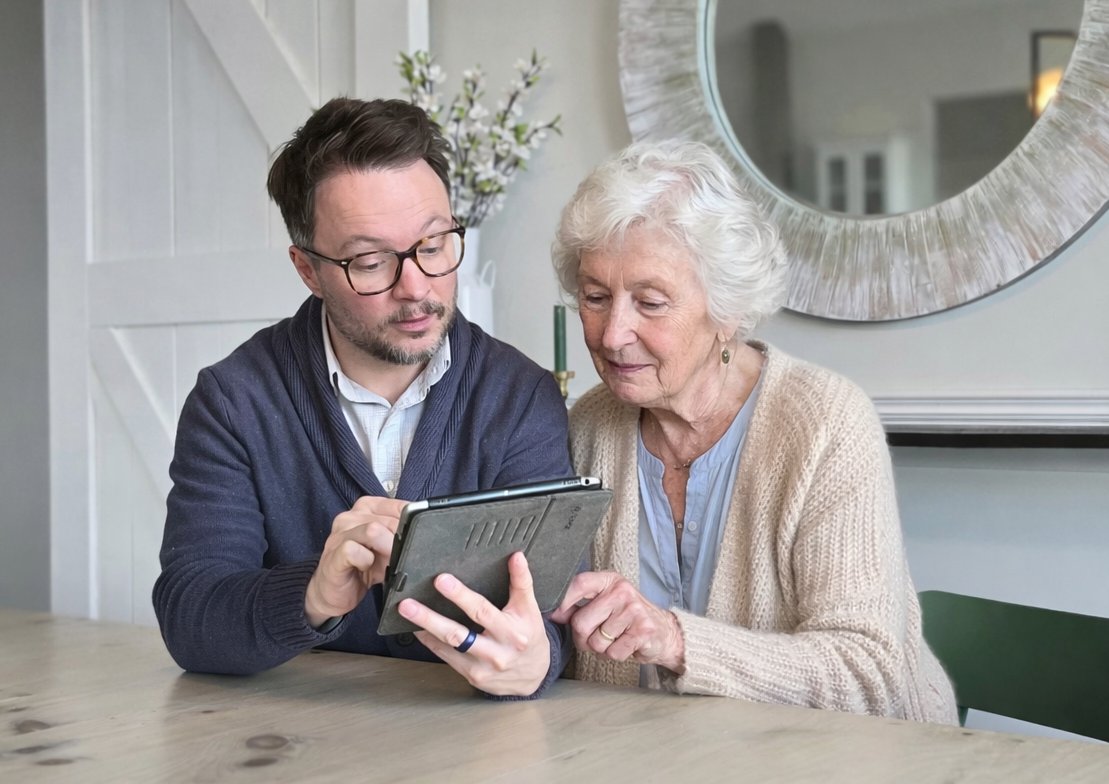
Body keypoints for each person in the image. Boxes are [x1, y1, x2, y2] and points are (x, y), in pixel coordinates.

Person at [153, 97, 572, 698]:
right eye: (371, 262)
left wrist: (538, 659)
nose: (416, 287)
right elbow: (190, 616)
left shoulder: (519, 396)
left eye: (433, 246)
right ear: (307, 269)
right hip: (292, 741)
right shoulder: (234, 401)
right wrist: (311, 595)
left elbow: (551, 611)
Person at [548, 139, 957, 722]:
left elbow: (868, 675)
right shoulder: (588, 426)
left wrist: (677, 642)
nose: (612, 334)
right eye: (594, 297)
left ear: (727, 311)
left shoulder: (825, 423)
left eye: (651, 302)